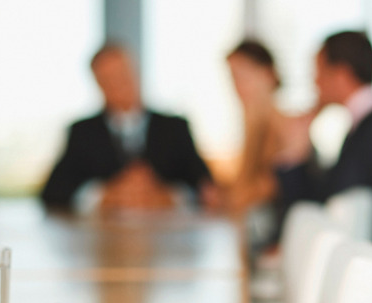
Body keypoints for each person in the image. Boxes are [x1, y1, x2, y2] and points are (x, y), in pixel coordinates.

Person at [40, 43, 215, 212]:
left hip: (167, 236)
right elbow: (53, 192)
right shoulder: (82, 132)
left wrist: (168, 195)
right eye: (108, 79)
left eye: (122, 74)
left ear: (136, 72)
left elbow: (205, 188)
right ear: (98, 84)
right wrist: (103, 195)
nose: (118, 84)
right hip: (104, 238)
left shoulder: (175, 127)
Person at [289, 31, 372, 250]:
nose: (315, 82)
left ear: (340, 74)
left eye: (319, 72)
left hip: (360, 264)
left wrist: (348, 246)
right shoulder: (362, 128)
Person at [224, 40, 317, 246]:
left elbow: (262, 191)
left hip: (282, 243)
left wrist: (230, 198)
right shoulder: (255, 127)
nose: (238, 87)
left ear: (268, 74)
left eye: (243, 77)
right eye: (233, 78)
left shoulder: (285, 128)